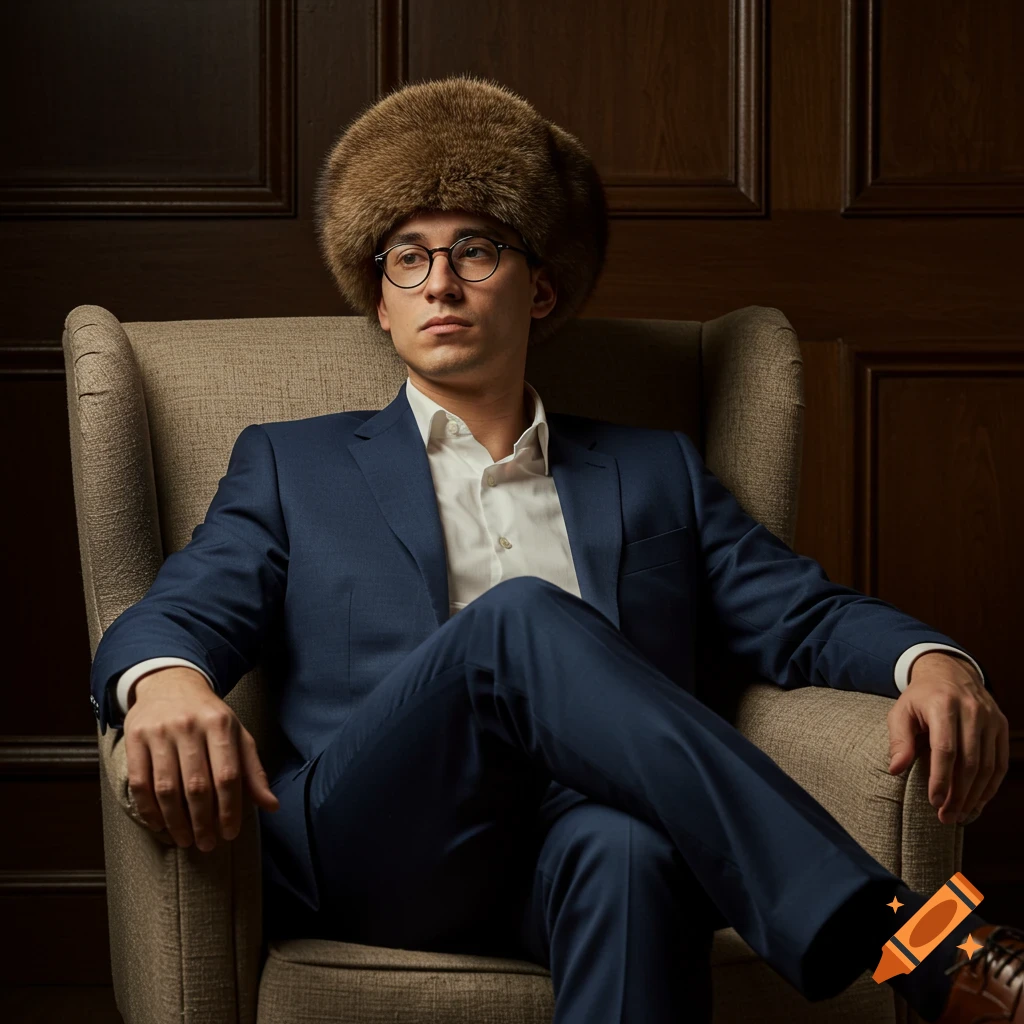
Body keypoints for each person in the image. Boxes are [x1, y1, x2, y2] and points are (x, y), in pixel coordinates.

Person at [88, 75, 1021, 1023]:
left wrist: (933, 661)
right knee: (520, 621)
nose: (439, 282)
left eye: (474, 250)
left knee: (631, 853)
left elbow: (802, 614)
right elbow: (176, 611)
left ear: (540, 289)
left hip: (569, 845)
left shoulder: (654, 471)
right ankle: (913, 941)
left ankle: (913, 950)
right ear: (380, 304)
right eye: (407, 259)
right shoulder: (295, 465)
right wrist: (163, 683)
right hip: (376, 847)